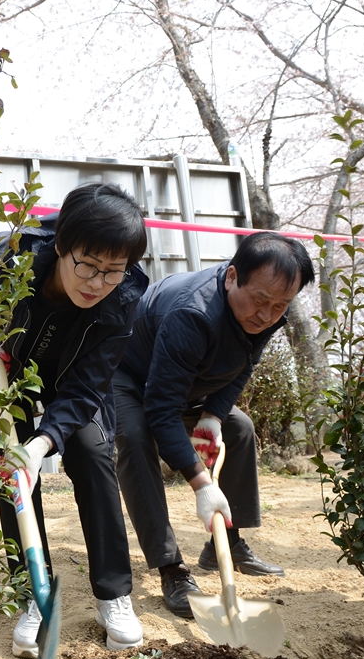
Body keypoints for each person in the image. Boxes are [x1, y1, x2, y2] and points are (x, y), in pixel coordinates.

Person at [112, 232, 314, 619]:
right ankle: (171, 568)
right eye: (259, 301)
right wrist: (201, 484)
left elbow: (243, 366)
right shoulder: (193, 313)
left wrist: (213, 416)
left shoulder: (268, 313)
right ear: (232, 276)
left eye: (280, 305)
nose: (267, 315)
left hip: (187, 383)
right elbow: (161, 409)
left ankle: (227, 543)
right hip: (129, 376)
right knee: (136, 440)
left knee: (239, 428)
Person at [0, 182, 149, 657]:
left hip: (72, 378)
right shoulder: (8, 261)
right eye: (87, 265)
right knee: (10, 471)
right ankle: (31, 598)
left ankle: (114, 594)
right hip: (2, 372)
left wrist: (42, 445)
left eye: (112, 271)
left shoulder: (124, 298)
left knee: (92, 451)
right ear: (60, 244)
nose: (97, 282)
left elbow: (87, 386)